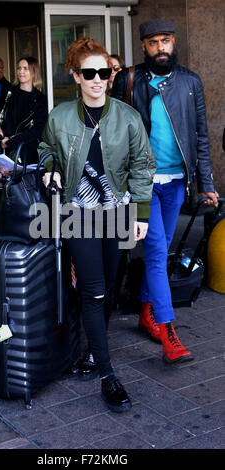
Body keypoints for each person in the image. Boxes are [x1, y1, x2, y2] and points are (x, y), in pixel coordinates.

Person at [38, 37, 156, 413]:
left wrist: (139, 215)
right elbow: (46, 151)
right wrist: (49, 170)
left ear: (111, 74)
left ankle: (88, 350)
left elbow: (142, 166)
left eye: (103, 72)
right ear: (75, 76)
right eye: (88, 73)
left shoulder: (127, 117)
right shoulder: (59, 117)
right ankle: (107, 374)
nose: (97, 80)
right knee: (93, 288)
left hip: (118, 211)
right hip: (77, 213)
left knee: (108, 285)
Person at [111, 18, 219, 363]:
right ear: (143, 46)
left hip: (176, 183)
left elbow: (201, 137)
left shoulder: (190, 82)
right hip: (142, 184)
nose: (161, 48)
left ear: (174, 43)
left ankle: (147, 313)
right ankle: (170, 333)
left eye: (166, 41)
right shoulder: (129, 80)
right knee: (158, 253)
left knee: (163, 249)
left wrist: (208, 186)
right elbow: (114, 135)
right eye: (154, 42)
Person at [0, 56, 48, 165]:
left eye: (25, 68)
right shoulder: (8, 93)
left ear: (34, 72)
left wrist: (11, 142)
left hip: (27, 153)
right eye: (19, 68)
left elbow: (37, 130)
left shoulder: (39, 99)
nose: (21, 72)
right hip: (4, 150)